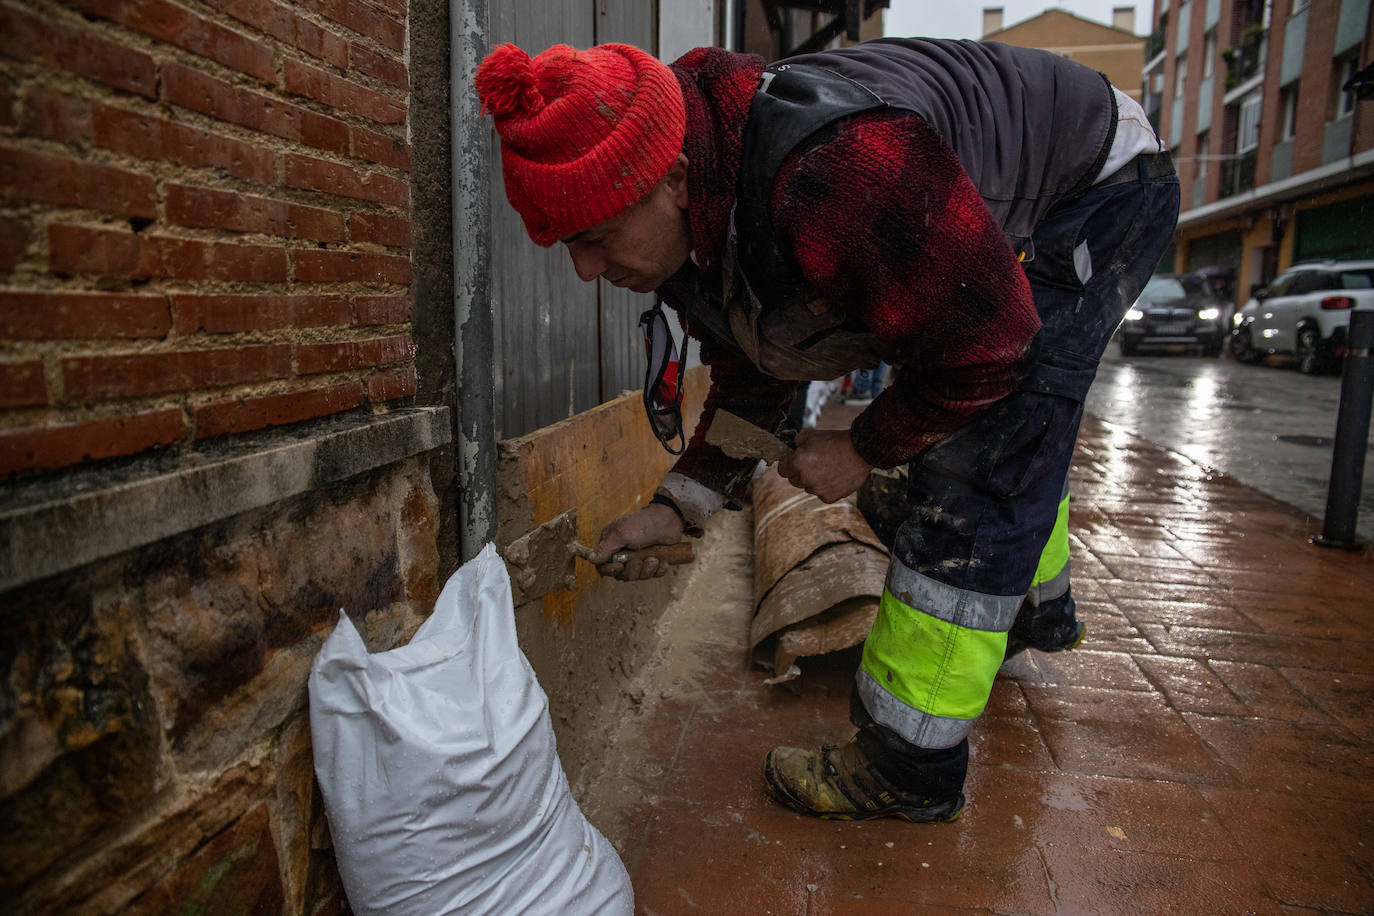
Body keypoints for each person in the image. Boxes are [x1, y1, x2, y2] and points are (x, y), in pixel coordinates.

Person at [475, 37, 1179, 823]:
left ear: (672, 180)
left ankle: (908, 765)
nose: (583, 271)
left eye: (595, 236)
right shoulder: (695, 203)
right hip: (972, 206)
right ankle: (1035, 611)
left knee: (987, 449)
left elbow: (989, 350)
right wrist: (679, 506)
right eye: (566, 244)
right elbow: (754, 366)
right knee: (988, 432)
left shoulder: (835, 170)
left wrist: (865, 449)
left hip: (1092, 184)